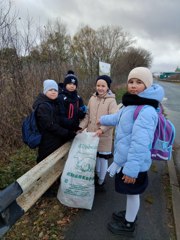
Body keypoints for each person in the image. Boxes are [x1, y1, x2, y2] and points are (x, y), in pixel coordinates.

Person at [99, 67, 164, 236]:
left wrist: (131, 170)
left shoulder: (146, 110)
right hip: (127, 161)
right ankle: (129, 215)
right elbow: (117, 118)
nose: (134, 86)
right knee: (129, 194)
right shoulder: (132, 104)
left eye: (139, 82)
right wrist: (101, 119)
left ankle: (129, 225)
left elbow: (140, 144)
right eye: (131, 82)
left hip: (133, 164)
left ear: (147, 86)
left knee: (133, 194)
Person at [79, 75, 118, 191]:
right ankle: (96, 177)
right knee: (94, 158)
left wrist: (102, 129)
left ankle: (101, 182)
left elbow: (113, 119)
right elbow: (87, 116)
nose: (100, 88)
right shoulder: (92, 98)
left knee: (102, 159)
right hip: (92, 135)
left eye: (103, 86)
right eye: (98, 85)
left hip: (104, 136)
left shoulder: (111, 101)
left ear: (108, 87)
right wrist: (80, 127)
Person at [33, 79, 76, 163]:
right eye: (50, 90)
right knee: (45, 162)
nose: (53, 92)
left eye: (55, 90)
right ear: (45, 91)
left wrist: (71, 126)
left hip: (56, 140)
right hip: (47, 142)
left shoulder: (54, 103)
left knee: (57, 161)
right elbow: (50, 125)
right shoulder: (43, 106)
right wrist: (67, 133)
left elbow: (59, 120)